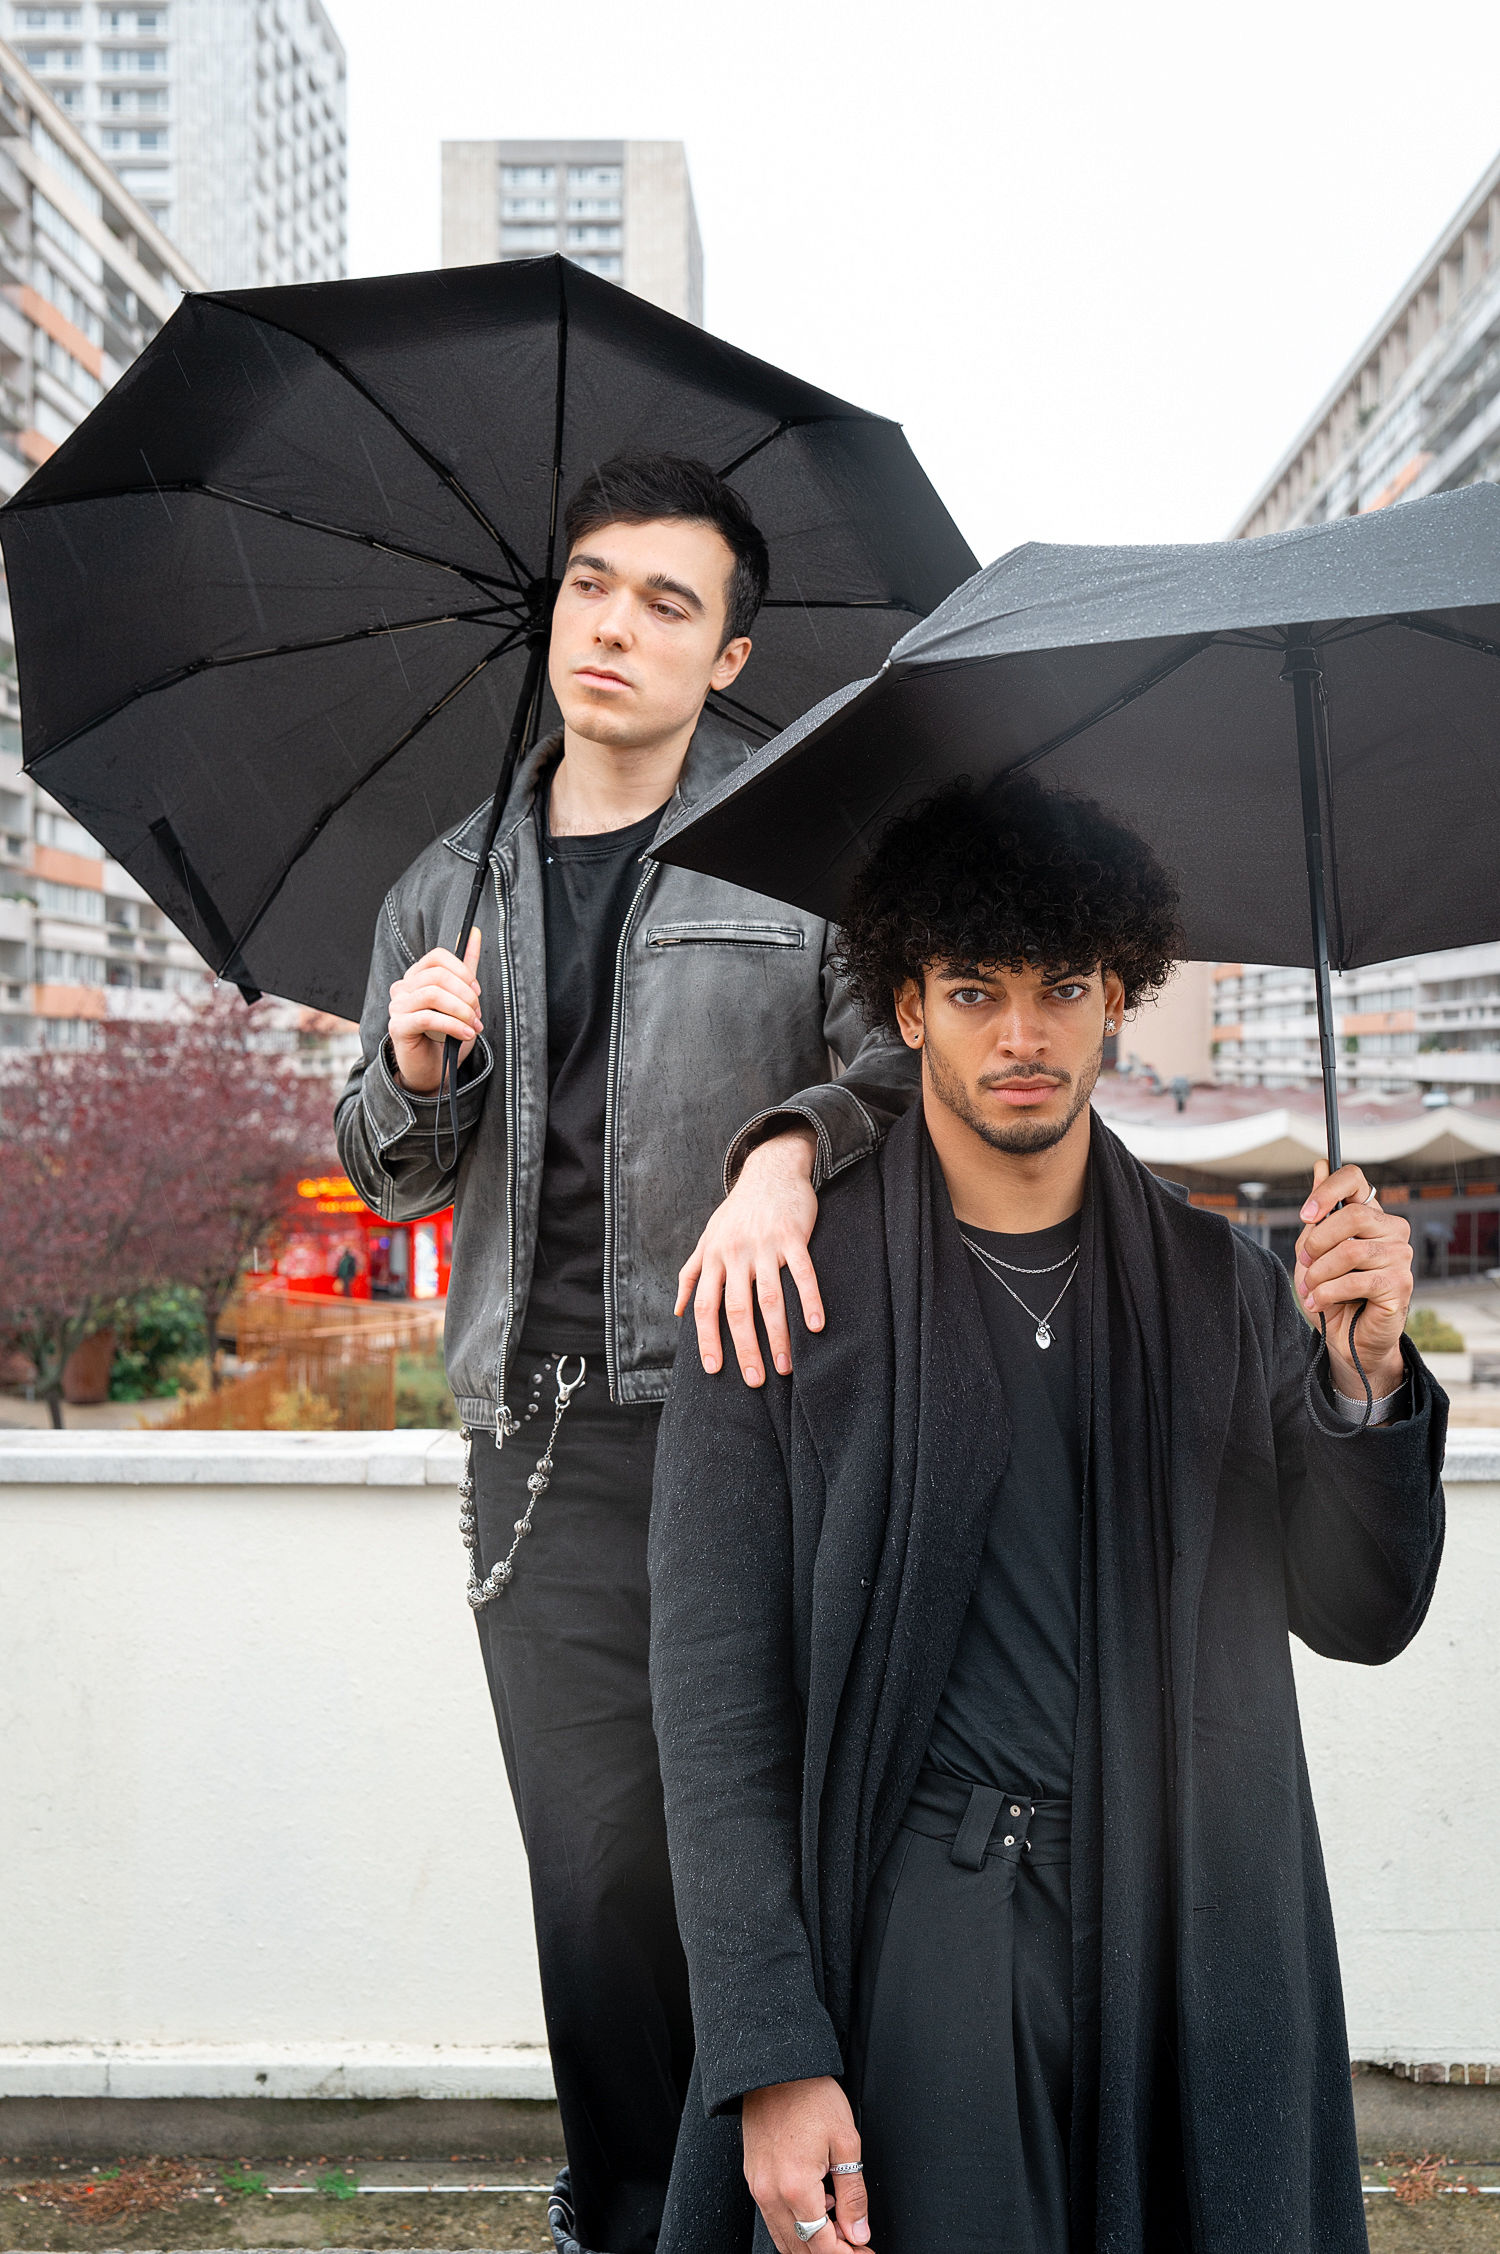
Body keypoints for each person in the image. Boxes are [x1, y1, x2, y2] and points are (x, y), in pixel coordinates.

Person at [648, 776, 1448, 2254]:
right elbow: (712, 1709)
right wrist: (770, 2046)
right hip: (922, 1935)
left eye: (1062, 988)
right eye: (976, 990)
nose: (1022, 1035)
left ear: (1118, 997)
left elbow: (1364, 1610)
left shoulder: (1223, 1291)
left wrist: (1363, 1378)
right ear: (908, 1005)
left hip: (1187, 1928)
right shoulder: (782, 1289)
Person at [335, 453, 917, 2254]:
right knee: (591, 1878)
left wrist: (791, 1143)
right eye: (591, 584)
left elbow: (896, 1069)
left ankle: (788, 2205)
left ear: (727, 650)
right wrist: (416, 1071)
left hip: (755, 1417)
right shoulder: (444, 884)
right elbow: (385, 1168)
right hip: (539, 1447)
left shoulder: (800, 853)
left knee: (757, 1856)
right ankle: (627, 2213)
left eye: (668, 602)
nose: (615, 624)